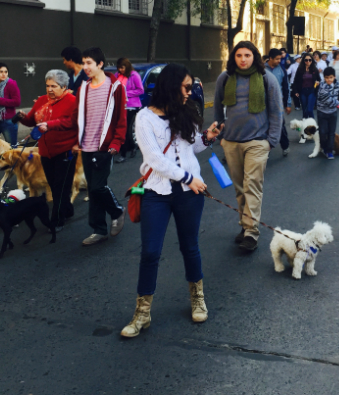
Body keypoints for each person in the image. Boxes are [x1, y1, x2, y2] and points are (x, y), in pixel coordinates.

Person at [121, 64, 223, 338]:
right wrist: (188, 177)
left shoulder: (187, 110)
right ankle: (142, 312)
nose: (191, 92)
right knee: (150, 252)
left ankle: (197, 298)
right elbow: (155, 159)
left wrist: (206, 138)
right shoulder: (144, 118)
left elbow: (191, 146)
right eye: (187, 87)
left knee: (190, 246)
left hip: (189, 195)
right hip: (157, 193)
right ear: (170, 86)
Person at [213, 41, 283, 251]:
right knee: (240, 189)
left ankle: (251, 233)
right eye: (239, 55)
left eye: (247, 55)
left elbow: (276, 111)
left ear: (255, 57)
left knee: (252, 185)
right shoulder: (225, 78)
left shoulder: (266, 78)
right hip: (231, 142)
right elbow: (217, 107)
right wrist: (221, 136)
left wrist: (271, 141)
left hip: (257, 142)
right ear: (234, 57)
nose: (243, 59)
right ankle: (245, 226)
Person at [73, 47, 128, 246]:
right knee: (93, 190)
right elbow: (77, 118)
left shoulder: (115, 88)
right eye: (83, 63)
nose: (85, 67)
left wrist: (116, 143)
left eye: (89, 63)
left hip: (105, 147)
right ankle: (99, 229)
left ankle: (117, 211)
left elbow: (121, 120)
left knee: (98, 187)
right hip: (86, 146)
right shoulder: (83, 88)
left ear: (100, 64)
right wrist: (74, 140)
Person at [15, 69, 77, 229]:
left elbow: (69, 122)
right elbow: (31, 120)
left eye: (54, 86)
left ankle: (57, 220)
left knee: (60, 187)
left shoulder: (72, 101)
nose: (49, 89)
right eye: (47, 86)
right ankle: (67, 209)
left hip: (65, 150)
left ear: (63, 87)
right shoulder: (42, 100)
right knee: (55, 185)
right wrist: (22, 117)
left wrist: (49, 125)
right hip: (45, 152)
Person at [114, 58, 145, 162]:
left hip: (131, 106)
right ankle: (132, 147)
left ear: (126, 67)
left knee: (125, 129)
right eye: (119, 68)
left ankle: (123, 154)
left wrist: (125, 93)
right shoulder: (117, 75)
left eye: (122, 67)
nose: (120, 70)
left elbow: (140, 90)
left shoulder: (134, 75)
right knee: (120, 129)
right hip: (119, 106)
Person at [265, 48, 292, 157]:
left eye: (280, 59)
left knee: (280, 125)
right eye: (277, 59)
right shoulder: (261, 69)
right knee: (264, 126)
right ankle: (265, 147)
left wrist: (288, 104)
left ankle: (285, 146)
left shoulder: (281, 69)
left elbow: (286, 87)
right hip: (264, 103)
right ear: (270, 58)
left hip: (278, 103)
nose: (279, 61)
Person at [316, 67, 339, 159]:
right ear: (324, 77)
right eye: (327, 78)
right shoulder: (322, 86)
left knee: (331, 132)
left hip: (333, 112)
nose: (329, 80)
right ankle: (323, 147)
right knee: (323, 132)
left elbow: (335, 95)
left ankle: (329, 150)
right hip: (322, 112)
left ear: (334, 77)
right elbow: (326, 99)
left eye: (331, 77)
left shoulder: (336, 84)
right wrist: (337, 103)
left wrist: (336, 103)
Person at [291, 54, 321, 119]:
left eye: (310, 60)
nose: (308, 62)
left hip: (312, 90)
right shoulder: (300, 70)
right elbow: (295, 81)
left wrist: (317, 82)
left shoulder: (314, 69)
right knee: (305, 111)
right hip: (303, 91)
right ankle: (305, 126)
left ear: (312, 61)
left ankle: (313, 126)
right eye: (306, 60)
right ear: (303, 61)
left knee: (310, 110)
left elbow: (319, 79)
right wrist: (295, 91)